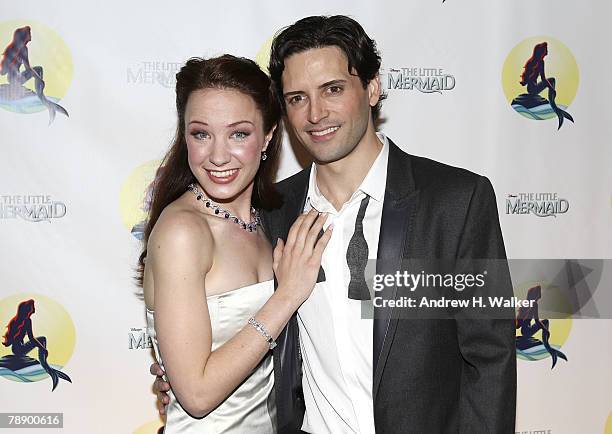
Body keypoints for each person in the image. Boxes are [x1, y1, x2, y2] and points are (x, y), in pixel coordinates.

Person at [153, 16, 517, 433]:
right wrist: (176, 373)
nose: (315, 113)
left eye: (333, 89)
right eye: (296, 98)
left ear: (373, 87)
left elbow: (490, 358)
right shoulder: (271, 214)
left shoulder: (454, 203)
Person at [139, 54, 332, 433]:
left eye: (238, 133)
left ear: (268, 135)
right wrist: (286, 296)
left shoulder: (271, 220)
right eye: (201, 134)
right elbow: (195, 396)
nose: (218, 155)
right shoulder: (183, 232)